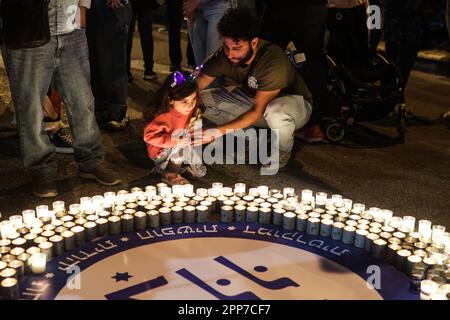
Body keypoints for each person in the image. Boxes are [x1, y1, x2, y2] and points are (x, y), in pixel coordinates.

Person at [5, 0, 122, 197]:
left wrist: (84, 7)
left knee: (82, 101)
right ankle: (41, 168)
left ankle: (90, 160)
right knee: (31, 106)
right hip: (29, 31)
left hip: (71, 28)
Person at [194, 8, 313, 170]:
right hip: (254, 100)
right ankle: (254, 139)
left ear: (254, 42)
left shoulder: (273, 60)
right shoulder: (223, 56)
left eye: (237, 48)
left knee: (276, 111)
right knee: (202, 101)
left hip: (293, 106)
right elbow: (192, 87)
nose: (230, 54)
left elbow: (258, 110)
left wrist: (217, 131)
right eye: (227, 47)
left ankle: (281, 152)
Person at [259, 0, 329, 143]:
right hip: (298, 8)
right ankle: (309, 125)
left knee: (307, 60)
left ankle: (310, 124)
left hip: (297, 8)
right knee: (269, 57)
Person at [143, 71, 206, 185]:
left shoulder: (192, 111)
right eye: (184, 101)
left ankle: (172, 168)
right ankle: (170, 174)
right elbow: (148, 136)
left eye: (193, 99)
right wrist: (173, 140)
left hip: (181, 145)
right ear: (171, 100)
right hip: (161, 152)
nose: (190, 105)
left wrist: (200, 135)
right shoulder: (164, 117)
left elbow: (193, 129)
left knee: (200, 172)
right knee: (181, 146)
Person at [86, 0, 132, 131]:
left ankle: (116, 113)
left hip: (111, 7)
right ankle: (101, 109)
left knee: (112, 62)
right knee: (94, 62)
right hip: (90, 7)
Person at [184, 0, 232, 65]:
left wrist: (196, 2)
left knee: (213, 62)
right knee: (200, 63)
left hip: (219, 5)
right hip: (196, 8)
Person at [127, 0, 160, 81]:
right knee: (146, 34)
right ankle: (148, 70)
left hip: (130, 3)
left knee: (128, 36)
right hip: (146, 4)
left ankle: (125, 71)